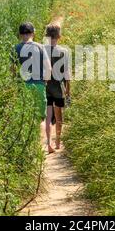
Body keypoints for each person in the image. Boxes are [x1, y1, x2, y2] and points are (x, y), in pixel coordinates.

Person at [13, 22, 52, 125]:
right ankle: (37, 135)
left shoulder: (16, 48)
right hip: (39, 83)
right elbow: (48, 67)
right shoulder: (40, 47)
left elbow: (12, 69)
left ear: (20, 35)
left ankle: (29, 138)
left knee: (25, 113)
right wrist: (45, 81)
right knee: (39, 115)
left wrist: (15, 82)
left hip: (23, 84)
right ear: (33, 33)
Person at [44, 21, 71, 153]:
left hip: (46, 87)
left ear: (46, 36)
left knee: (48, 116)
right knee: (59, 115)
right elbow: (66, 73)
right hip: (58, 87)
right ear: (59, 36)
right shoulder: (63, 51)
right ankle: (58, 143)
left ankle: (48, 143)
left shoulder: (42, 50)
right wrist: (68, 90)